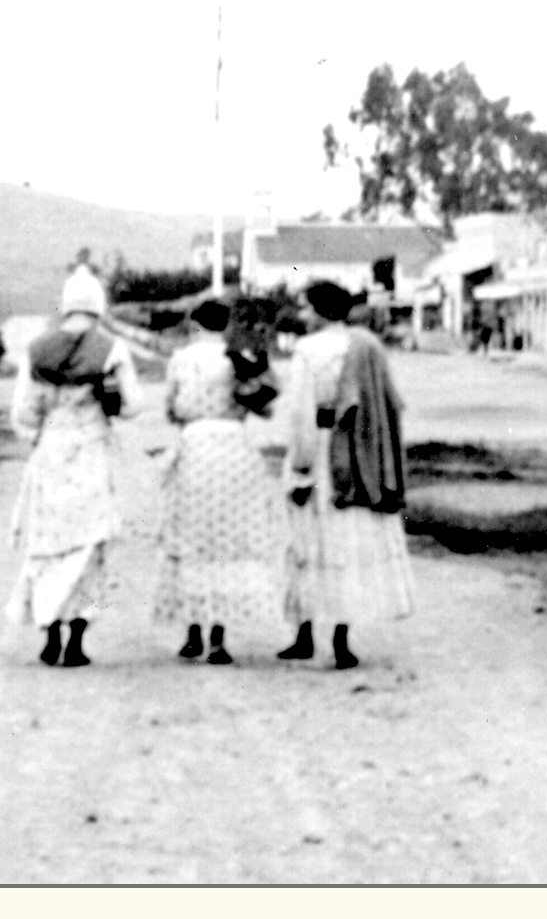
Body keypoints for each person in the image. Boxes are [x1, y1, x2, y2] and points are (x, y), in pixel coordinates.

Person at [5, 265, 142, 667]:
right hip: (91, 449)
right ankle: (77, 641)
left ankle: (49, 633)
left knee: (48, 546)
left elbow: (23, 413)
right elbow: (133, 406)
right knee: (88, 548)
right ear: (98, 305)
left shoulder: (37, 349)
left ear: (65, 305)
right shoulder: (111, 349)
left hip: (52, 448)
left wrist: (39, 437)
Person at [278, 281, 415, 669]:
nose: (304, 316)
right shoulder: (368, 345)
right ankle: (341, 640)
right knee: (345, 542)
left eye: (307, 309)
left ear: (321, 312)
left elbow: (302, 413)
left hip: (322, 447)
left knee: (307, 539)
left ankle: (303, 635)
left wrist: (301, 468)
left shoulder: (308, 350)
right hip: (357, 451)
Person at [152, 299, 288, 665]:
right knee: (226, 542)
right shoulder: (237, 357)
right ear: (226, 325)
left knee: (193, 540)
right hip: (234, 450)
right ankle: (219, 638)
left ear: (195, 323)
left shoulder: (181, 359)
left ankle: (193, 633)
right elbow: (265, 407)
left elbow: (172, 409)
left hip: (195, 449)